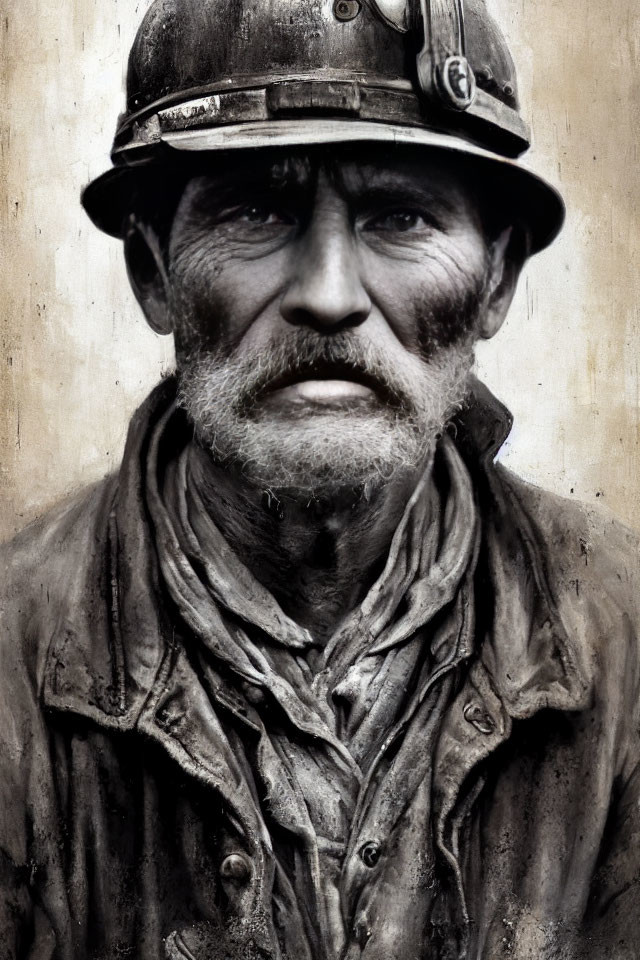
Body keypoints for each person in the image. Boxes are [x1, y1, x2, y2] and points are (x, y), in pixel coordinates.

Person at [1, 0, 639, 958]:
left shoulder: (626, 636)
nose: (330, 295)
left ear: (497, 280)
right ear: (154, 272)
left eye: (400, 215)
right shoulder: (12, 653)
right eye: (258, 209)